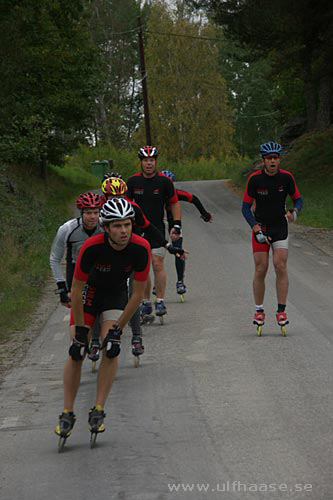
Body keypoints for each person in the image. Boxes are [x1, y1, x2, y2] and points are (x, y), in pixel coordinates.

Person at [55, 198, 151, 440]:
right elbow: (76, 289)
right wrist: (79, 328)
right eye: (117, 226)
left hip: (116, 294)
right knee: (77, 351)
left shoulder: (141, 248)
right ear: (106, 228)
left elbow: (137, 294)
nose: (124, 231)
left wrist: (118, 329)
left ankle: (98, 408)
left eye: (127, 225)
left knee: (112, 347)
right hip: (89, 293)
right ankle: (67, 412)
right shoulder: (91, 246)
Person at [101, 176, 186, 329]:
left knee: (135, 285)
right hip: (106, 251)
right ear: (105, 197)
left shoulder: (132, 208)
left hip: (130, 248)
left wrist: (168, 246)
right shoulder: (99, 211)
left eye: (120, 196)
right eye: (112, 197)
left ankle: (137, 329)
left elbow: (148, 228)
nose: (116, 200)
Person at [241, 141, 303, 329]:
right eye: (269, 159)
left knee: (280, 265)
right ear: (263, 161)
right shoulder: (254, 179)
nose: (273, 161)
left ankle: (281, 310)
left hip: (280, 227)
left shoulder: (286, 178)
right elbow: (245, 208)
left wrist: (295, 211)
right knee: (261, 267)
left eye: (276, 158)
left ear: (279, 159)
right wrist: (255, 228)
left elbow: (298, 199)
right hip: (261, 227)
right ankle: (259, 311)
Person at [126, 146, 182, 319]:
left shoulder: (164, 181)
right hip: (137, 230)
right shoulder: (133, 182)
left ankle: (161, 300)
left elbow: (174, 203)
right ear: (141, 162)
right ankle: (145, 302)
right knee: (142, 267)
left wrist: (177, 225)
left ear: (156, 162)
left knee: (157, 264)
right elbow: (126, 205)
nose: (148, 163)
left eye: (151, 160)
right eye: (145, 160)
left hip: (157, 228)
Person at [50, 192, 104, 361]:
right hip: (77, 273)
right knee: (80, 310)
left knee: (101, 307)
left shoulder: (105, 226)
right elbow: (55, 258)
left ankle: (96, 340)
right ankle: (82, 345)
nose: (93, 217)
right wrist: (62, 288)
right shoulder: (67, 229)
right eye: (88, 213)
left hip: (101, 270)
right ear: (81, 213)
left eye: (96, 212)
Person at [161, 170, 213, 296]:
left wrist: (204, 214)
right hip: (159, 222)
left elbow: (194, 199)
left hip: (174, 222)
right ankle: (158, 282)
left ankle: (180, 281)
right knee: (158, 253)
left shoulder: (177, 193)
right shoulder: (154, 193)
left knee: (178, 251)